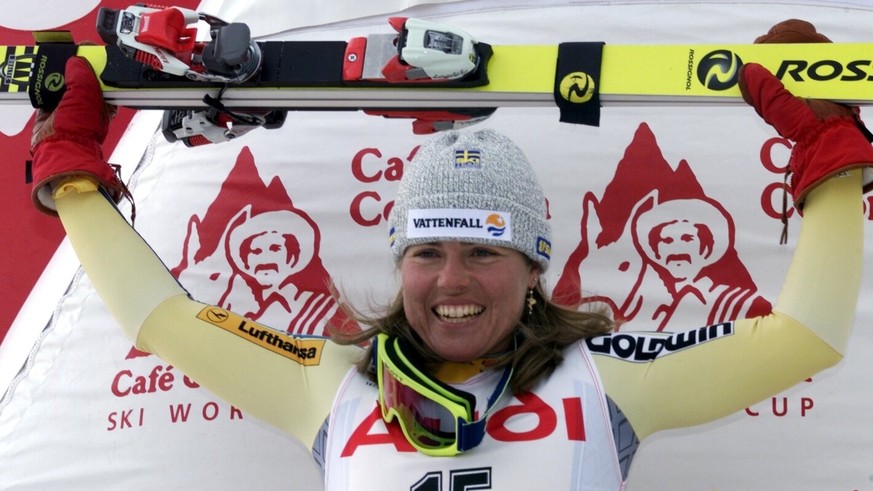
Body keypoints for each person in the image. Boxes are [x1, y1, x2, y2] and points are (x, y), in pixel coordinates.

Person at [28, 19, 871, 489]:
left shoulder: (604, 377)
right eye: (426, 249)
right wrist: (71, 177)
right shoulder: (334, 381)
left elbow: (806, 336)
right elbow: (164, 319)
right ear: (399, 263)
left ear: (535, 266)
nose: (452, 280)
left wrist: (830, 155)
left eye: (484, 250)